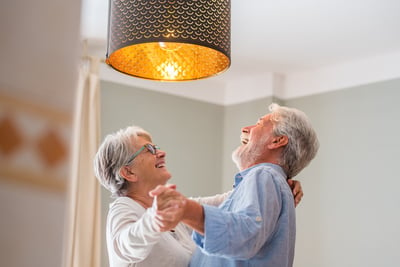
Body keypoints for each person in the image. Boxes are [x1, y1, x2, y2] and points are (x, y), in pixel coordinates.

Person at [93, 119, 305, 267]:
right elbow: (125, 245)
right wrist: (153, 221)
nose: (161, 152)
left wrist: (280, 185)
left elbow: (228, 200)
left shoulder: (176, 213)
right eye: (149, 150)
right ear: (128, 172)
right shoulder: (123, 209)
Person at [158, 103, 318, 267]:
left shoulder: (264, 175)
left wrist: (185, 210)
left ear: (277, 141)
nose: (245, 128)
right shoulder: (269, 181)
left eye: (259, 123)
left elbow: (244, 235)